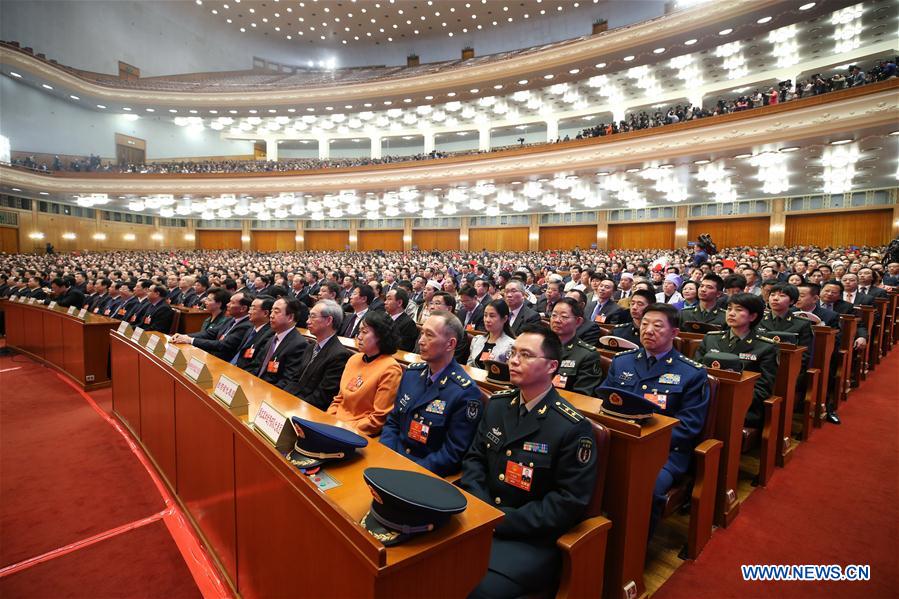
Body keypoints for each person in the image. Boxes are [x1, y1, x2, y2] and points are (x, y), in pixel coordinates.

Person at [460, 322, 597, 599]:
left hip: (530, 540)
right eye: (513, 352)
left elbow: (567, 502)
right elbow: (474, 459)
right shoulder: (498, 405)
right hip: (481, 519)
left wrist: (502, 520)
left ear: (551, 367)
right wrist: (481, 506)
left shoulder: (571, 427)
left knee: (474, 588)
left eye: (525, 355)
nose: (513, 360)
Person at [600, 303, 709, 537]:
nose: (648, 330)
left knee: (645, 486)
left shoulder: (691, 372)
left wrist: (646, 442)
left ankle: (633, 549)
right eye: (645, 324)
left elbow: (689, 425)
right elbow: (603, 403)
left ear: (674, 333)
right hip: (618, 442)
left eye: (657, 326)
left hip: (664, 452)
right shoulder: (622, 362)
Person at [380, 311, 481, 475]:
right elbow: (393, 421)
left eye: (429, 335)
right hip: (392, 458)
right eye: (422, 333)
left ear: (450, 344)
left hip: (423, 473)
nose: (421, 341)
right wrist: (386, 454)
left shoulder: (465, 393)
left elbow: (452, 453)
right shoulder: (412, 374)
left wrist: (411, 471)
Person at [695, 293, 778, 427]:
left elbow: (763, 389)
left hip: (743, 406)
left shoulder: (766, 347)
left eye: (738, 310)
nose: (731, 313)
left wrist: (728, 399)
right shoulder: (711, 338)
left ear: (753, 316)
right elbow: (696, 372)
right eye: (729, 309)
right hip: (706, 400)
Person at [327, 311, 403, 436]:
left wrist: (344, 429)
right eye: (359, 331)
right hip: (336, 424)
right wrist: (328, 419)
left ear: (381, 336)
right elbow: (339, 399)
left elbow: (378, 418)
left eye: (365, 332)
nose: (359, 337)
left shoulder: (390, 369)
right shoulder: (354, 359)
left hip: (357, 432)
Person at [286, 299, 353, 408]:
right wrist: (282, 396)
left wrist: (293, 405)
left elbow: (322, 397)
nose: (307, 321)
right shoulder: (311, 347)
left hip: (307, 409)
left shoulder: (339, 355)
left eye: (312, 316)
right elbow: (295, 379)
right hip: (293, 402)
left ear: (328, 320)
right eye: (308, 316)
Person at [244, 297, 308, 391]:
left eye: (276, 312)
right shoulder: (272, 338)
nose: (271, 315)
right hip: (254, 386)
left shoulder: (299, 344)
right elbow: (256, 365)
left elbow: (287, 381)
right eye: (271, 311)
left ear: (290, 317)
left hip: (269, 393)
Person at [171, 292, 252, 361]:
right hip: (212, 357)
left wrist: (191, 340)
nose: (227, 304)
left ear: (243, 308)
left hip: (223, 362)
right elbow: (211, 333)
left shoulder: (246, 326)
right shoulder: (231, 319)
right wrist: (185, 336)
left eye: (232, 303)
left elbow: (223, 345)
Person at [548, 298, 603, 396]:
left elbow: (582, 395)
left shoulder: (587, 355)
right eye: (554, 315)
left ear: (578, 321)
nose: (557, 320)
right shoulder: (539, 346)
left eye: (564, 317)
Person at [756, 283, 813, 369]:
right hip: (759, 368)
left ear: (792, 301)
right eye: (772, 295)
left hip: (788, 368)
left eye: (782, 296)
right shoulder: (758, 320)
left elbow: (804, 355)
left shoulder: (802, 324)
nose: (775, 298)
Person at [467, 299, 515, 369]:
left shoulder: (511, 345)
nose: (487, 320)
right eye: (485, 315)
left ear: (505, 319)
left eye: (492, 316)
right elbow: (469, 366)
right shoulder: (477, 340)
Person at [230, 295, 275, 369]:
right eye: (250, 308)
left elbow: (256, 365)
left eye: (253, 308)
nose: (249, 312)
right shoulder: (250, 328)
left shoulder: (269, 335)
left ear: (265, 313)